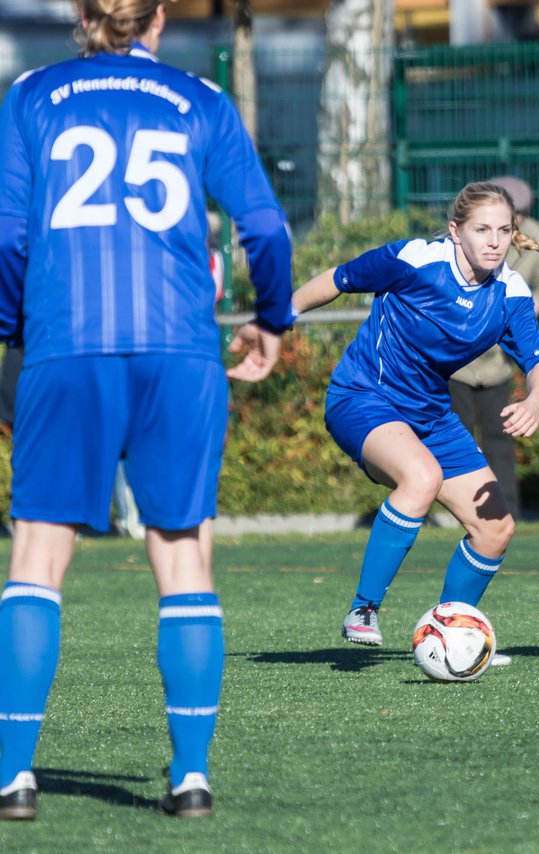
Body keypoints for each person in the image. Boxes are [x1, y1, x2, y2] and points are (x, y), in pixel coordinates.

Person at [0, 0, 293, 820]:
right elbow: (264, 227)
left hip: (67, 342)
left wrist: (12, 327)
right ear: (159, 17)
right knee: (184, 561)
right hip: (180, 351)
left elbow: (6, 237)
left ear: (80, 16)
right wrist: (272, 318)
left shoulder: (30, 94)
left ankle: (12, 777)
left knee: (35, 561)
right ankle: (190, 777)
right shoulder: (200, 98)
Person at [289, 182, 539, 666]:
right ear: (456, 232)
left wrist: (536, 399)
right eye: (481, 230)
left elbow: (538, 360)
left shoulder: (510, 292)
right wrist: (283, 313)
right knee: (421, 477)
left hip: (429, 414)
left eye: (503, 230)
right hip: (362, 396)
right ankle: (363, 609)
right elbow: (340, 277)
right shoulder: (415, 259)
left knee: (495, 529)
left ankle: (453, 632)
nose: (494, 241)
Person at [448, 177, 539, 518]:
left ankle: (506, 512)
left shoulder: (535, 237)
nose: (497, 237)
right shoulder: (452, 248)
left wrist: (530, 304)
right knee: (451, 440)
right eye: (486, 225)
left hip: (497, 365)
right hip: (454, 366)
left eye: (509, 223)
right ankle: (448, 510)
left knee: (499, 438)